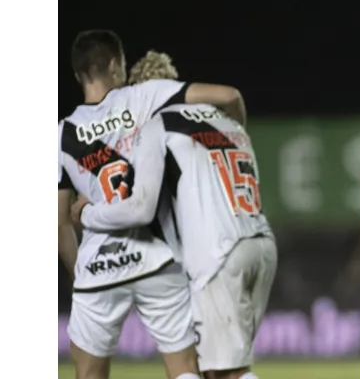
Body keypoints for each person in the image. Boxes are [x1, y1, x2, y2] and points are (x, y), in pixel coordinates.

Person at [70, 51, 277, 379]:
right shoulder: (222, 120)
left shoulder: (158, 126)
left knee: (227, 372)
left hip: (219, 256)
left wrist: (88, 213)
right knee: (215, 366)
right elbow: (231, 99)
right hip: (261, 245)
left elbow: (139, 206)